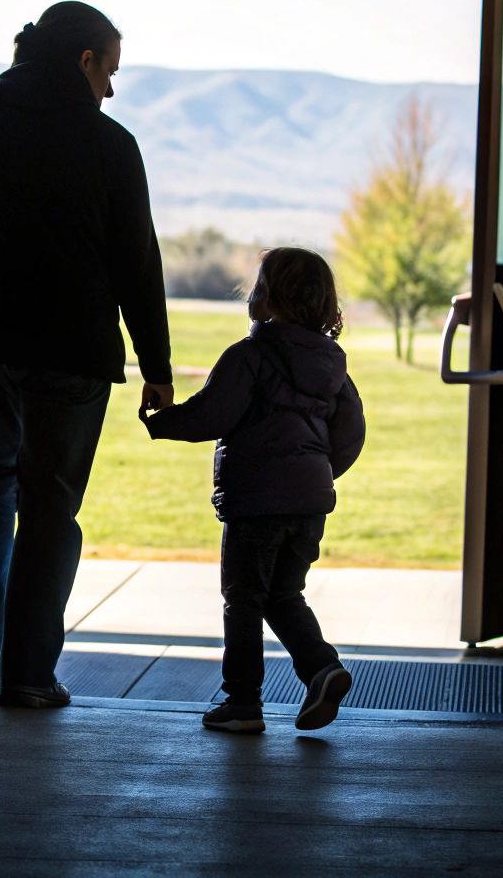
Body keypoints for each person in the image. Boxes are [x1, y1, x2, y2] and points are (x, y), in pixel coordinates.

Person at [0, 0, 174, 709]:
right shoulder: (110, 145)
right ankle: (27, 674)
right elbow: (137, 265)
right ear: (83, 60)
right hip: (73, 353)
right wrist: (157, 367)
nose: (110, 89)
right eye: (109, 70)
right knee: (51, 505)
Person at [141, 247, 366, 732]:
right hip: (308, 505)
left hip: (256, 503)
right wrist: (316, 476)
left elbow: (214, 414)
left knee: (242, 597)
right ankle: (322, 668)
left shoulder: (250, 356)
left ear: (266, 300)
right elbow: (350, 434)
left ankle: (242, 702)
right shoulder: (332, 366)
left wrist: (163, 422)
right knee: (284, 593)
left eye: (258, 286)